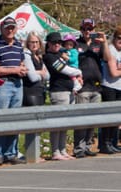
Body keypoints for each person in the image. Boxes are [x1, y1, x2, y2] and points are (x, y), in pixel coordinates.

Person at [0, 17, 28, 166]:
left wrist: (22, 69)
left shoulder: (19, 45)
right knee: (1, 118)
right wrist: (15, 69)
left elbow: (21, 63)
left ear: (16, 29)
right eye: (7, 28)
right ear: (2, 29)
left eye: (12, 27)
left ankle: (11, 153)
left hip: (18, 83)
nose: (10, 30)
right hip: (3, 84)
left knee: (14, 119)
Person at [43, 32, 82, 160]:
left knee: (65, 123)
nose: (57, 45)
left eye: (59, 42)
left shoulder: (60, 54)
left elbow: (70, 65)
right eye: (54, 42)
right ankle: (55, 151)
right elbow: (65, 69)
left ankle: (63, 149)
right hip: (58, 92)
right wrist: (79, 72)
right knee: (57, 123)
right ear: (48, 43)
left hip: (69, 91)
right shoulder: (49, 57)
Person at [73, 18, 108, 158]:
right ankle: (79, 148)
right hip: (83, 87)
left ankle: (87, 145)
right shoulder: (76, 44)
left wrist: (104, 42)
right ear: (81, 29)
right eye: (85, 29)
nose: (87, 31)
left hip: (96, 86)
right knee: (81, 120)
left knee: (93, 120)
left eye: (90, 29)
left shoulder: (97, 44)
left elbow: (106, 58)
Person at [99, 24, 121, 154]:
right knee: (109, 117)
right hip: (109, 87)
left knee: (117, 118)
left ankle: (112, 142)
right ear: (114, 37)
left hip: (119, 88)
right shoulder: (111, 50)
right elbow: (113, 72)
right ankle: (104, 143)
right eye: (119, 37)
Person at [23, 31, 49, 107]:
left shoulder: (39, 56)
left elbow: (48, 76)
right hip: (30, 93)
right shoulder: (26, 56)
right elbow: (32, 78)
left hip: (41, 92)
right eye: (32, 42)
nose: (35, 44)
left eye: (37, 42)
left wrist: (36, 72)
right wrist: (40, 72)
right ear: (28, 43)